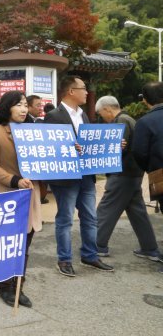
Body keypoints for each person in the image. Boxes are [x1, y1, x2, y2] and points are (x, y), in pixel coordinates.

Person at [44, 75, 113, 276]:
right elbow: (48, 147)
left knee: (90, 217)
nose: (87, 92)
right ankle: (64, 259)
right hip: (65, 178)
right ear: (71, 91)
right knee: (65, 218)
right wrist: (67, 146)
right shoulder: (54, 116)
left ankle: (90, 255)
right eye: (83, 88)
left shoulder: (83, 115)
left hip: (86, 175)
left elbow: (88, 143)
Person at [0, 91, 42, 308]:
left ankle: (19, 285)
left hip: (30, 195)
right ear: (7, 107)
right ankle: (5, 287)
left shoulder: (35, 131)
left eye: (26, 104)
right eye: (18, 104)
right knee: (7, 244)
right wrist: (14, 180)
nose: (24, 109)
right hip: (7, 196)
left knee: (25, 244)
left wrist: (68, 151)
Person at [94, 95, 161, 262]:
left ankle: (97, 246)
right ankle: (149, 248)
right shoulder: (128, 119)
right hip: (133, 173)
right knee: (137, 212)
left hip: (122, 173)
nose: (102, 117)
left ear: (107, 109)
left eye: (101, 113)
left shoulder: (121, 121)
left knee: (106, 208)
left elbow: (118, 149)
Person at [133, 82, 163, 216]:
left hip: (160, 174)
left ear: (144, 99)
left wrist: (152, 168)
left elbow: (139, 153)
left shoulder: (145, 122)